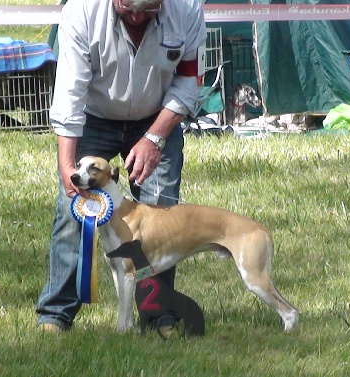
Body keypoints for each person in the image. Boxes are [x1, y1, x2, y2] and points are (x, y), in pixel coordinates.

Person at [36, 0, 207, 331]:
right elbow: (70, 89)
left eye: (148, 11)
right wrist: (66, 161)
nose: (137, 17)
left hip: (156, 117)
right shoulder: (82, 11)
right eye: (128, 8)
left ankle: (157, 311)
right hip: (93, 117)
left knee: (160, 214)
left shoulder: (187, 8)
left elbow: (189, 80)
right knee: (73, 214)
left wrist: (155, 138)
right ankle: (56, 314)